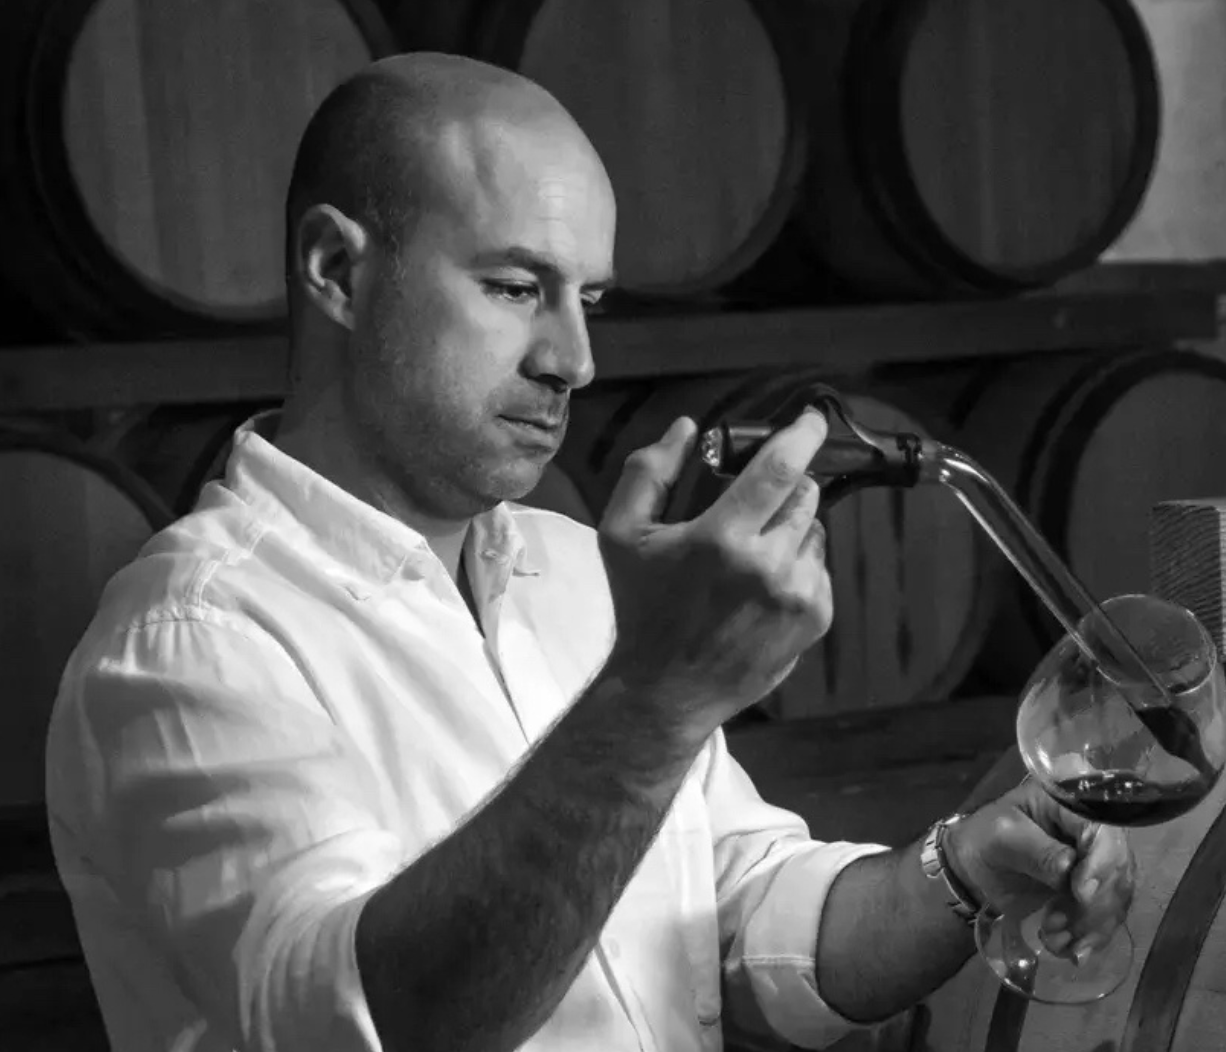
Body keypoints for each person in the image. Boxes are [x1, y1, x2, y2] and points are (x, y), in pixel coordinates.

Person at [43, 52, 1134, 1052]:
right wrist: (658, 696)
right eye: (516, 288)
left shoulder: (573, 570)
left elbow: (743, 918)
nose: (574, 356)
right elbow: (369, 1017)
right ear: (336, 267)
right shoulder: (191, 642)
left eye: (590, 299)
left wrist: (964, 871)